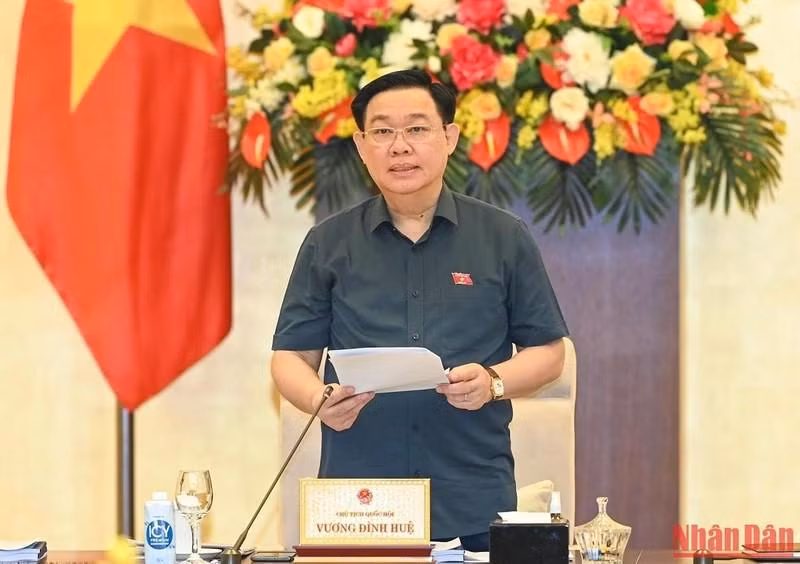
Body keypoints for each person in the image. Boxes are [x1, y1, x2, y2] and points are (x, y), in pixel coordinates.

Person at [271, 69, 568, 552]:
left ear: (449, 137)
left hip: (471, 493)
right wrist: (316, 399)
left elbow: (548, 353)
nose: (399, 146)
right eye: (383, 131)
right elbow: (289, 359)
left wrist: (493, 382)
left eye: (416, 128)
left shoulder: (503, 237)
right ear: (362, 144)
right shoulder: (327, 243)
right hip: (361, 503)